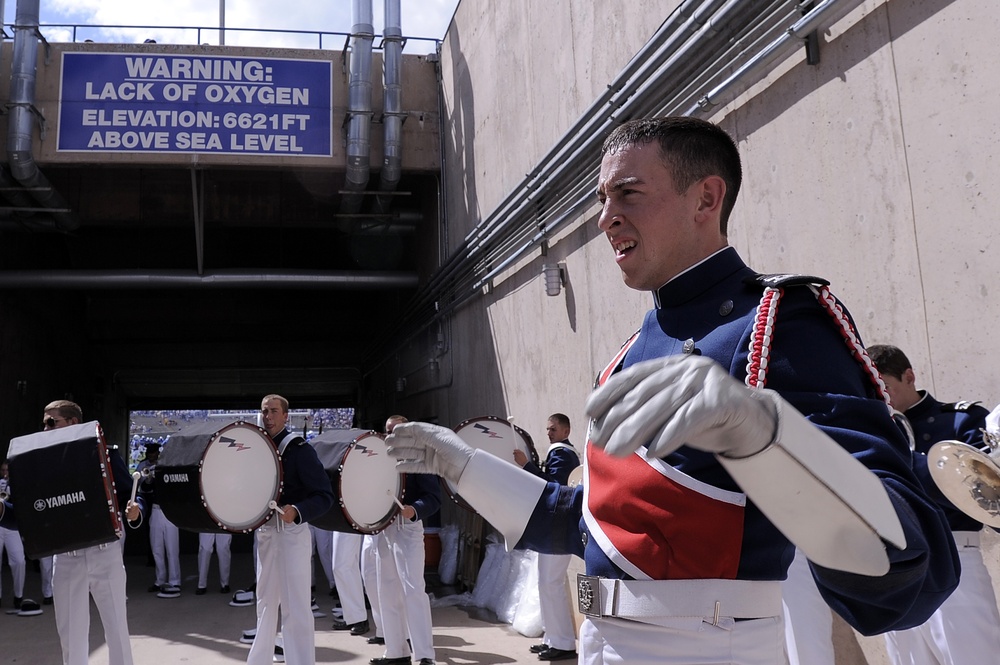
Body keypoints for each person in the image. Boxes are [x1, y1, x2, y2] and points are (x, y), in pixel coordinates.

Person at [386, 117, 960, 664]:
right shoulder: (628, 351)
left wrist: (762, 438)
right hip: (603, 643)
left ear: (706, 199)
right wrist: (464, 466)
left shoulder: (776, 322)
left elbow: (903, 560)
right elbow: (591, 526)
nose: (605, 218)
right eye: (602, 199)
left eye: (628, 194)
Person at [866, 343, 1000, 664]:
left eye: (885, 387)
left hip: (954, 556)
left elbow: (974, 495)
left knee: (975, 657)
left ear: (909, 376)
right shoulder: (873, 434)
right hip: (892, 565)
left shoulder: (960, 422)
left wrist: (904, 466)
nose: (880, 398)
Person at [3, 400, 144, 665]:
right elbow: (25, 514)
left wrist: (135, 511)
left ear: (73, 423)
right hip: (67, 558)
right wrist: (1, 509)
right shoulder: (37, 464)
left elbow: (129, 496)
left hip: (105, 554)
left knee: (117, 632)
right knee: (71, 638)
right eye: (44, 423)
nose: (45, 428)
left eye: (51, 422)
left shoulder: (106, 454)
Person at [245, 394, 334, 665]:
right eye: (264, 411)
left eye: (273, 411)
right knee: (265, 602)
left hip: (291, 533)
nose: (268, 417)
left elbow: (324, 496)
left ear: (286, 416)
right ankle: (259, 659)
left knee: (296, 605)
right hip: (265, 533)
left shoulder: (299, 450)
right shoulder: (256, 448)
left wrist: (298, 511)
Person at [369, 415, 441, 665]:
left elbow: (433, 497)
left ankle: (424, 655)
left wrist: (414, 510)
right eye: (388, 431)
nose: (392, 435)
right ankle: (396, 651)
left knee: (413, 590)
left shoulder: (419, 456)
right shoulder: (378, 458)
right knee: (386, 591)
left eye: (397, 431)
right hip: (384, 528)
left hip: (407, 527)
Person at [513, 414, 579, 661]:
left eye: (554, 429)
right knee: (547, 584)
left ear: (566, 431)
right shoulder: (559, 452)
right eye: (548, 429)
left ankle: (563, 643)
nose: (549, 433)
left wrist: (526, 467)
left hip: (559, 526)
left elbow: (555, 487)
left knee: (551, 584)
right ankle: (553, 638)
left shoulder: (562, 453)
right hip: (555, 527)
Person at [137, 443, 181, 598]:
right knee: (157, 548)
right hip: (155, 509)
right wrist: (149, 478)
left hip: (169, 511)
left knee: (172, 549)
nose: (151, 456)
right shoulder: (146, 467)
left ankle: (175, 580)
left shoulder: (167, 467)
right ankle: (160, 580)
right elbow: (144, 489)